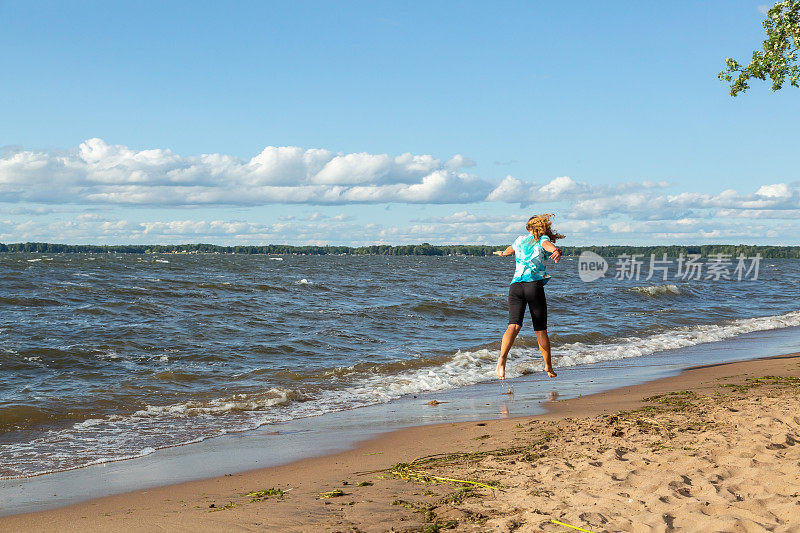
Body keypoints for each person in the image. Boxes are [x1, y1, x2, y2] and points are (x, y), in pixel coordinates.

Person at [493, 214, 564, 380]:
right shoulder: (542, 239)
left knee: (514, 325)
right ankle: (548, 367)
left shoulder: (519, 240)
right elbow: (547, 245)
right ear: (543, 228)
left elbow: (509, 251)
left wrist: (502, 253)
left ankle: (502, 359)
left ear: (529, 228)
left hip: (515, 286)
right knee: (540, 329)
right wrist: (556, 250)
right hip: (533, 287)